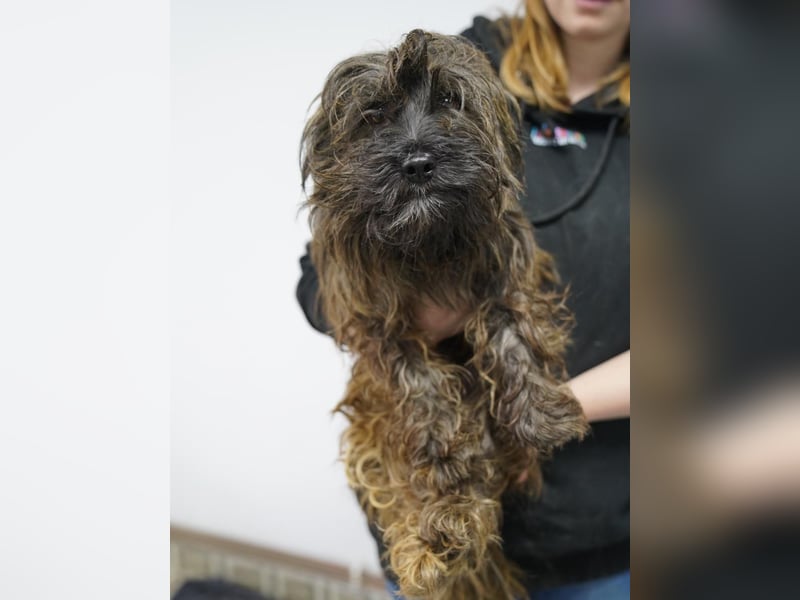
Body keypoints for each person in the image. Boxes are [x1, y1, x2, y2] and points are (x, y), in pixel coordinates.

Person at [296, 0, 630, 597]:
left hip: (612, 531)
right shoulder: (449, 69)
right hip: (432, 494)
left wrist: (542, 411)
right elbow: (316, 282)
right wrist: (401, 313)